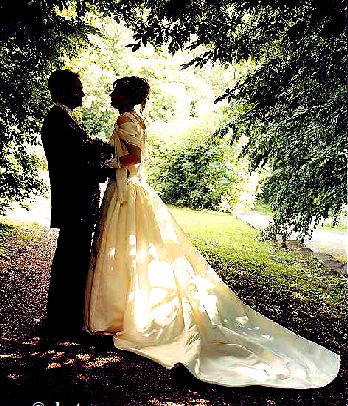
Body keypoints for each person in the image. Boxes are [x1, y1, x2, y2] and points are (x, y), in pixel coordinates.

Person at [84, 76, 340, 388]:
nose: (111, 95)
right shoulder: (138, 118)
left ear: (126, 97)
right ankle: (128, 311)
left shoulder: (125, 118)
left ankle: (121, 316)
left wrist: (105, 161)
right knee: (132, 249)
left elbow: (134, 158)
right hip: (133, 189)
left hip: (126, 189)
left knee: (124, 248)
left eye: (115, 91)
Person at [41, 69, 113, 338]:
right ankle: (63, 323)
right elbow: (69, 167)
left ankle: (63, 319)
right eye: (76, 89)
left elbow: (83, 153)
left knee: (73, 259)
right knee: (71, 261)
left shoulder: (64, 120)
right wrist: (106, 167)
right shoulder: (57, 121)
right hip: (74, 204)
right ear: (60, 92)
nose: (81, 93)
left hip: (78, 203)